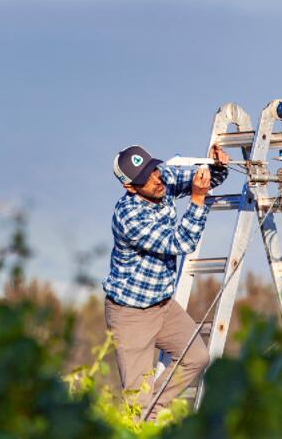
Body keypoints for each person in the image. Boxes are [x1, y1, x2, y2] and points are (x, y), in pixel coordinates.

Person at [102, 144, 229, 420]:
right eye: (145, 178)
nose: (156, 178)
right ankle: (144, 418)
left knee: (197, 357)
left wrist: (216, 166)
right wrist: (197, 199)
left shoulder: (162, 177)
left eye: (154, 168)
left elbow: (209, 179)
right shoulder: (128, 217)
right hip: (130, 314)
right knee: (137, 403)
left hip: (162, 305)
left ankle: (154, 411)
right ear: (131, 188)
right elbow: (181, 242)